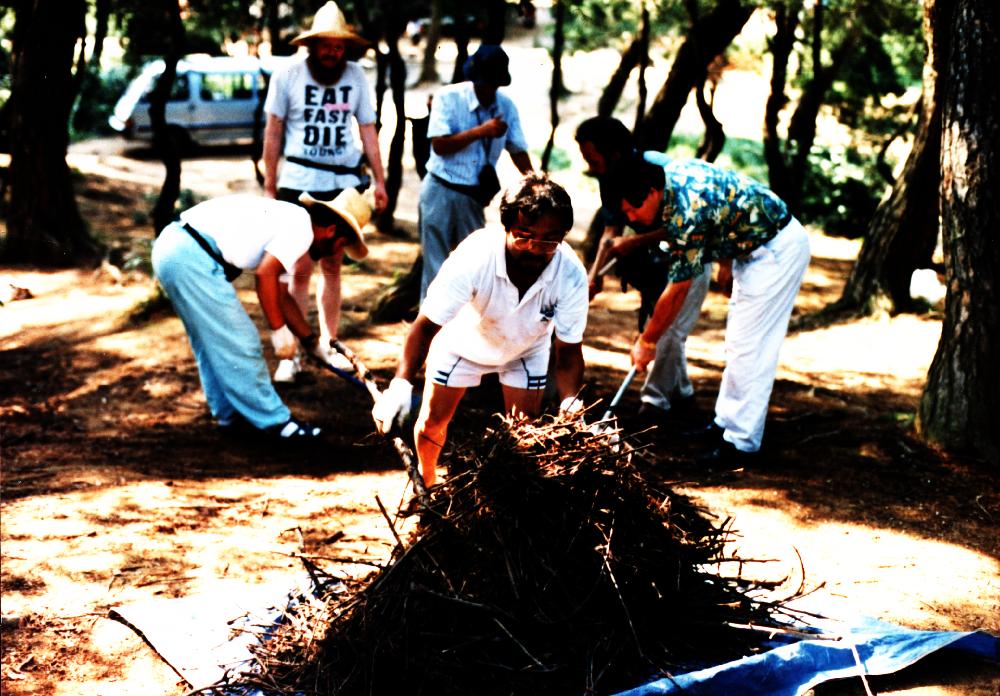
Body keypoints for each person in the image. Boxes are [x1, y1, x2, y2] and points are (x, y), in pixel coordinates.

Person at [372, 174, 588, 487]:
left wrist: (571, 405)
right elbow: (425, 326)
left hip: (526, 348)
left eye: (548, 241)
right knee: (432, 424)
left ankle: (508, 502)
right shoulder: (475, 257)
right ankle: (428, 483)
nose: (534, 249)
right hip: (463, 343)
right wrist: (401, 384)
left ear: (563, 237)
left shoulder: (570, 274)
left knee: (524, 435)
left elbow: (568, 352)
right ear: (507, 227)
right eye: (523, 236)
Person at [612, 157, 810, 464]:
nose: (632, 217)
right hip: (751, 247)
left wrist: (648, 341)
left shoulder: (686, 212)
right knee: (738, 345)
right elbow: (724, 201)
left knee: (752, 349)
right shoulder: (670, 181)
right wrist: (728, 260)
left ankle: (741, 442)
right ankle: (725, 424)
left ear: (652, 191)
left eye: (632, 209)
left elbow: (678, 288)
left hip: (776, 249)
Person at [151, 189, 372, 441]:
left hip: (174, 248)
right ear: (331, 230)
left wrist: (310, 341)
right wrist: (279, 331)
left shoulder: (293, 220)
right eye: (341, 245)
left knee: (213, 342)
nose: (334, 253)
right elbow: (265, 275)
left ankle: (230, 415)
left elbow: (279, 291)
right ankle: (277, 423)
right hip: (189, 255)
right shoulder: (301, 227)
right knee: (241, 341)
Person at [262, 1, 387, 383]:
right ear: (312, 44)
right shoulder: (288, 74)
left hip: (341, 181)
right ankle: (294, 352)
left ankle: (329, 344)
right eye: (326, 44)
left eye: (339, 45)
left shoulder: (356, 77)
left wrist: (380, 180)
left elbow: (367, 129)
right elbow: (274, 129)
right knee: (297, 266)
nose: (333, 52)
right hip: (299, 179)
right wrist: (269, 184)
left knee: (333, 264)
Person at [575, 117, 712, 427]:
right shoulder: (607, 177)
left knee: (667, 327)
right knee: (662, 321)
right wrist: (594, 276)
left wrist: (637, 241)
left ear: (614, 151)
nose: (590, 165)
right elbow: (611, 233)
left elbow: (685, 225)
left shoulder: (659, 168)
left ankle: (654, 402)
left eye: (592, 158)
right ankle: (683, 392)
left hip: (693, 252)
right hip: (657, 260)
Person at [419, 44, 534, 301]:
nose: (487, 89)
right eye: (483, 82)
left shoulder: (506, 106)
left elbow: (517, 149)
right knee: (435, 264)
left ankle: (464, 331)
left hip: (473, 195)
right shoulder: (449, 98)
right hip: (440, 186)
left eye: (492, 83)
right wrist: (480, 131)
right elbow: (440, 145)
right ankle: (428, 332)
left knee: (472, 268)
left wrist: (535, 182)